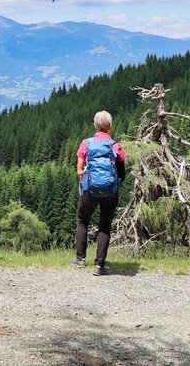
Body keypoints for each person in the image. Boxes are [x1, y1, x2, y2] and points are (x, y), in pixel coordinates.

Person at [73, 110, 126, 276]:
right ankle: (99, 266)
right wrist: (115, 184)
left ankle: (80, 259)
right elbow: (122, 170)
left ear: (95, 126)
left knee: (82, 220)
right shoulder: (115, 145)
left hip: (90, 189)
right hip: (110, 191)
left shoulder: (86, 143)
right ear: (110, 126)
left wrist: (87, 182)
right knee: (104, 226)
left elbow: (80, 170)